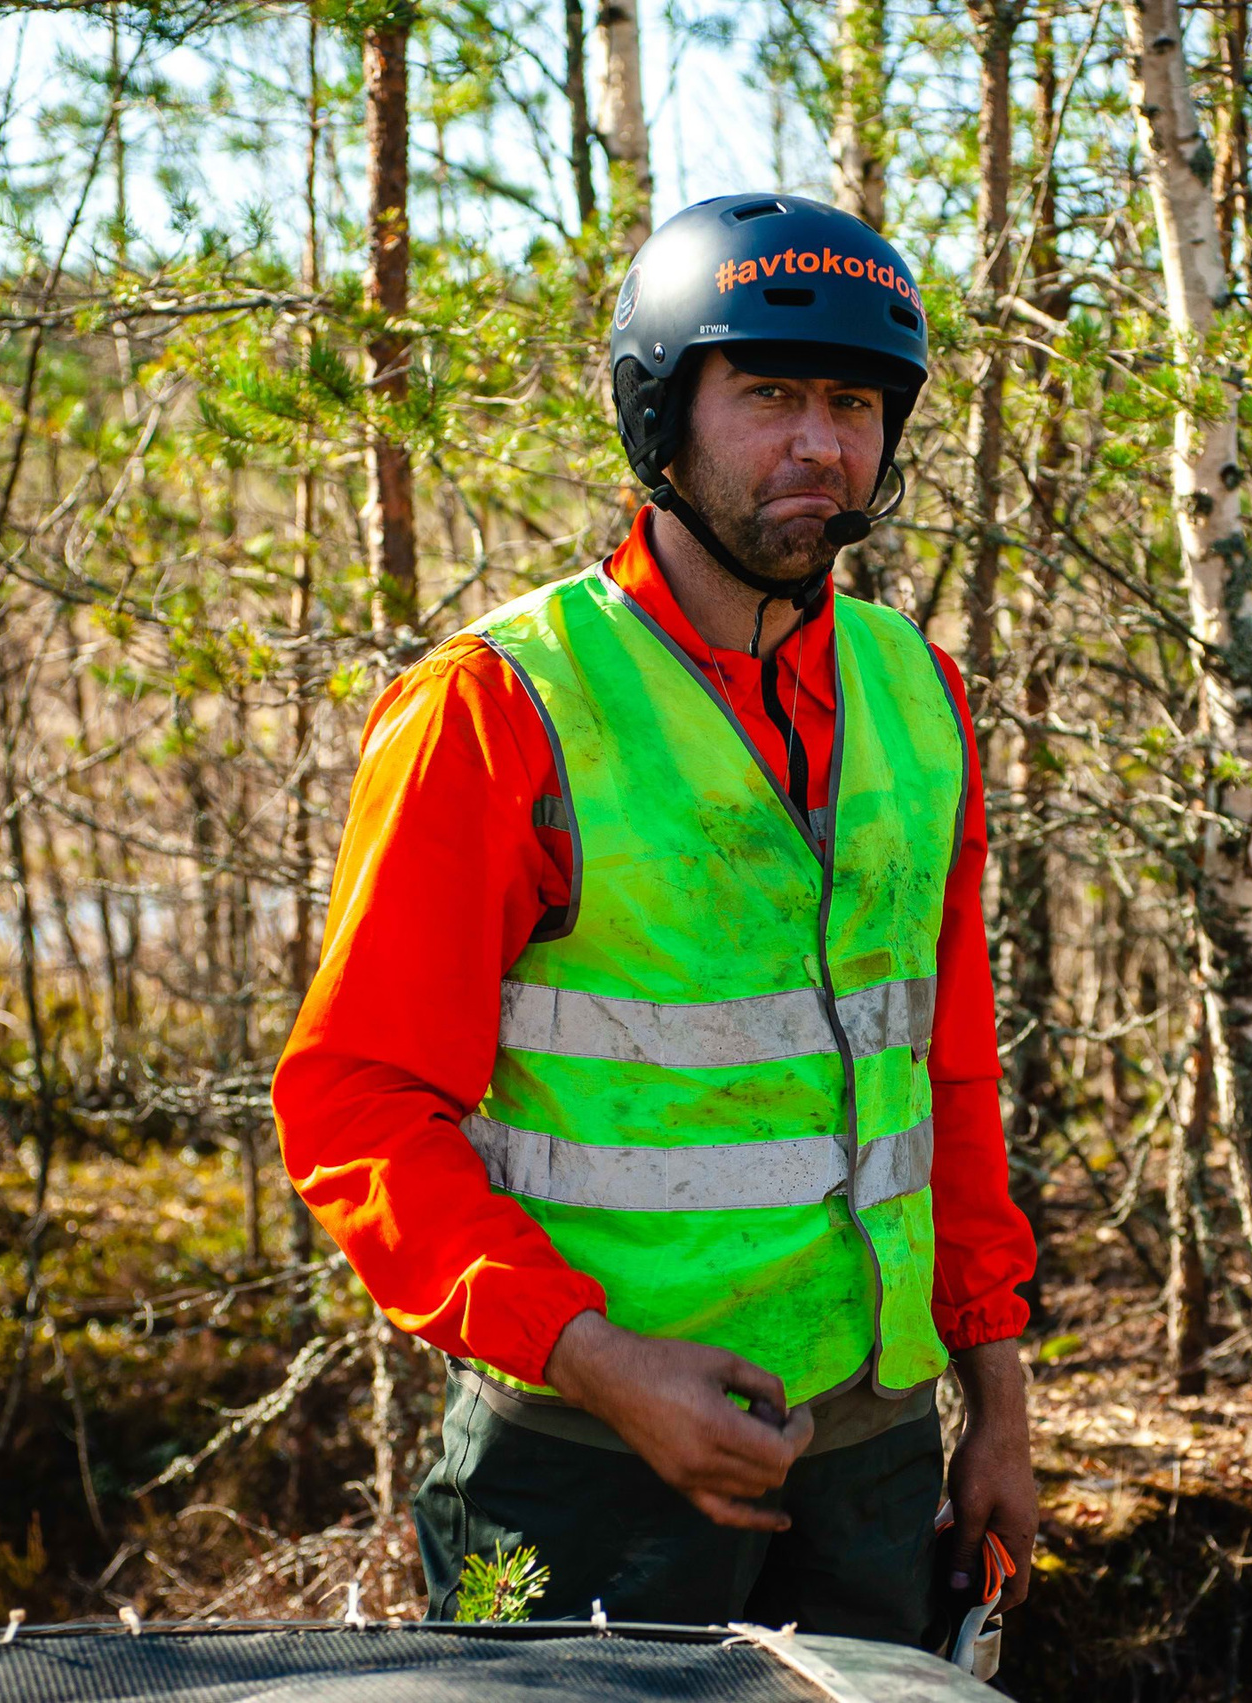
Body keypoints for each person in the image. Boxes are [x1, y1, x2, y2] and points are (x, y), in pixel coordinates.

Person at [273, 194, 1037, 1644]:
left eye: (857, 401)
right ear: (658, 414)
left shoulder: (917, 695)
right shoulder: (498, 709)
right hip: (588, 1461)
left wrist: (994, 1395)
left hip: (873, 1450)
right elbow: (357, 1107)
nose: (823, 440)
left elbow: (949, 1078)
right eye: (769, 393)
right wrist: (599, 1358)